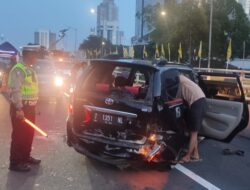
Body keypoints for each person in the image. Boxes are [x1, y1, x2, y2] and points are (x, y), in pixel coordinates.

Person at [8, 45, 41, 172]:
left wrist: (34, 105)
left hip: (30, 107)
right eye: (35, 55)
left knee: (28, 134)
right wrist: (19, 109)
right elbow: (15, 90)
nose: (37, 57)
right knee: (19, 136)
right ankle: (15, 162)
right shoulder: (18, 69)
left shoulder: (30, 69)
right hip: (21, 108)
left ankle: (25, 157)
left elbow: (32, 89)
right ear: (28, 55)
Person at [176, 74, 207, 163]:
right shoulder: (183, 80)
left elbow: (176, 96)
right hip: (200, 102)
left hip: (197, 103)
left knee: (193, 133)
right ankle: (195, 154)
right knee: (193, 131)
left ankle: (188, 156)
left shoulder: (178, 80)